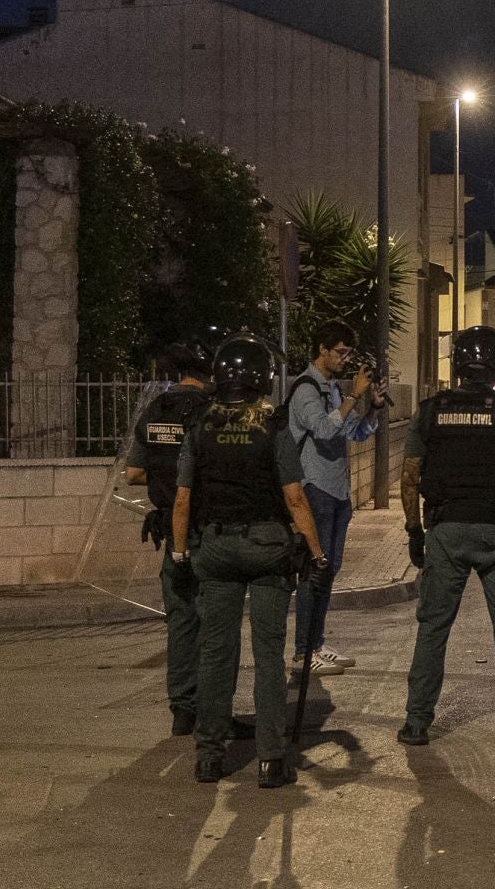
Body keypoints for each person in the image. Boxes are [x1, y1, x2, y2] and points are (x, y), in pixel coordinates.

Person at [170, 335, 330, 787]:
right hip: (266, 551)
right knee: (268, 655)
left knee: (215, 654)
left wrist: (180, 554)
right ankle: (271, 759)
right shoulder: (272, 426)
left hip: (216, 550)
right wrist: (316, 553)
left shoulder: (199, 425)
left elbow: (183, 500)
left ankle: (208, 755)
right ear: (262, 377)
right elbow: (295, 498)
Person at [397, 326, 495, 746]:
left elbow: (409, 478)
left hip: (445, 531)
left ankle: (416, 722)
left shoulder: (429, 412)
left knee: (433, 627)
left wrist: (414, 530)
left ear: (457, 364)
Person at [124, 333, 217, 736]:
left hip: (168, 529)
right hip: (207, 529)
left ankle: (182, 708)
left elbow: (133, 474)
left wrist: (165, 479)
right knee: (215, 622)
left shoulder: (154, 409)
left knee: (180, 621)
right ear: (209, 373)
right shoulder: (210, 412)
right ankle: (214, 710)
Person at [285, 320, 380, 677]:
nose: (345, 359)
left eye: (348, 353)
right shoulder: (305, 389)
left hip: (338, 489)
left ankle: (316, 643)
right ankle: (302, 652)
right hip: (315, 488)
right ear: (322, 350)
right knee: (315, 570)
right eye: (340, 352)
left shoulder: (333, 389)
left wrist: (373, 406)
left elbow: (355, 432)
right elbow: (324, 430)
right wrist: (354, 396)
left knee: (329, 571)